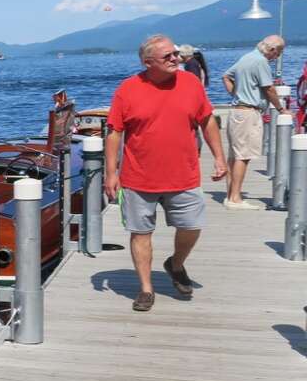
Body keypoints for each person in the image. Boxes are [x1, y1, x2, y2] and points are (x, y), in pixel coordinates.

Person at [105, 34, 227, 312]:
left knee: (192, 226)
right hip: (139, 178)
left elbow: (207, 120)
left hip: (184, 174)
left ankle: (176, 263)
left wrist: (220, 157)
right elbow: (114, 133)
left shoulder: (190, 82)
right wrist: (111, 173)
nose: (176, 58)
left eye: (175, 53)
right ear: (149, 63)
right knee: (140, 233)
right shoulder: (127, 89)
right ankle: (146, 289)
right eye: (168, 56)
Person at [221, 35, 286, 208]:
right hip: (248, 112)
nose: (277, 57)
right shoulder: (260, 62)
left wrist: (236, 94)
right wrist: (281, 108)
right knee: (243, 156)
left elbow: (226, 76)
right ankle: (235, 198)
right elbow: (269, 88)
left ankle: (230, 195)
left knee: (234, 155)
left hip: (236, 111)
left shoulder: (247, 57)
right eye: (278, 53)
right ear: (272, 50)